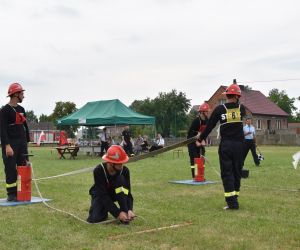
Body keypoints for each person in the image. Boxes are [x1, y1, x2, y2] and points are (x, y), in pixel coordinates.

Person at [199, 80, 246, 210]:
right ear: (237, 96)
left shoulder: (220, 109)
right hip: (239, 145)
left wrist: (201, 138)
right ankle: (234, 198)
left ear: (227, 95)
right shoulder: (241, 109)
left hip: (226, 145)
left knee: (227, 173)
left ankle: (232, 203)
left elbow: (209, 126)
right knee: (237, 172)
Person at [87, 145, 135, 224]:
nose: (121, 166)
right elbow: (102, 195)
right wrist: (117, 213)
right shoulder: (98, 170)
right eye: (119, 164)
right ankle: (105, 210)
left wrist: (129, 209)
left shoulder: (125, 171)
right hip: (101, 194)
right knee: (95, 219)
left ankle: (125, 212)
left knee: (121, 179)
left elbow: (127, 192)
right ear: (110, 162)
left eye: (122, 163)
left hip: (117, 194)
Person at [0, 83, 30, 202]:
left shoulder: (21, 109)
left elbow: (25, 126)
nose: (24, 96)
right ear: (16, 94)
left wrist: (27, 141)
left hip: (22, 144)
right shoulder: (4, 111)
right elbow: (2, 130)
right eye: (22, 93)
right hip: (10, 144)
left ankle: (21, 192)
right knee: (10, 169)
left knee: (23, 167)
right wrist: (7, 146)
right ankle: (11, 194)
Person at [187, 102, 210, 178]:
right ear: (202, 112)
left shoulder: (207, 120)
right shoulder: (196, 121)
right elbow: (190, 133)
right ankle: (195, 176)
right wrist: (196, 141)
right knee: (195, 158)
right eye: (206, 111)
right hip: (191, 141)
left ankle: (200, 176)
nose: (207, 113)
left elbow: (206, 132)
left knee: (202, 157)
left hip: (200, 140)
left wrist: (204, 140)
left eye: (207, 111)